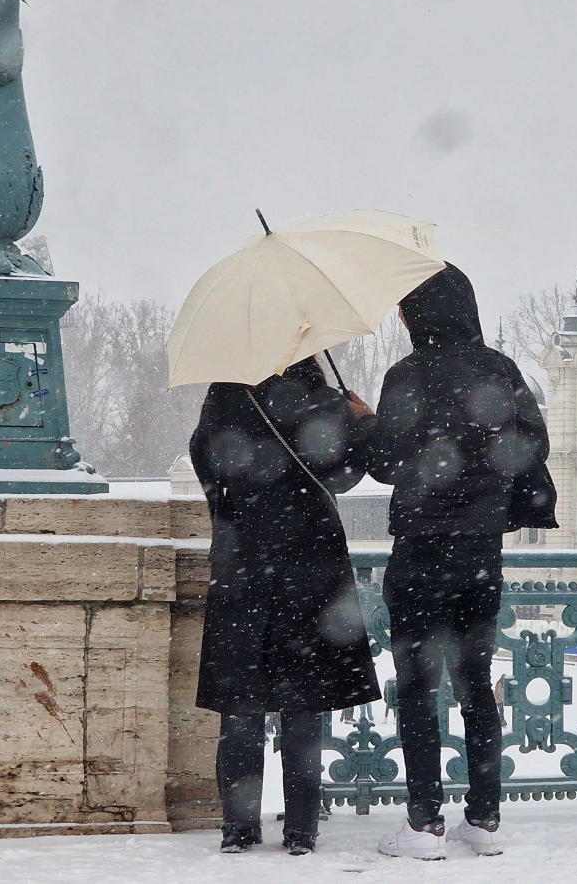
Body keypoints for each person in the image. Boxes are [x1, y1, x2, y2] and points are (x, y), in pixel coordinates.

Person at [365, 264, 557, 859]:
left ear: (417, 314)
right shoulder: (498, 369)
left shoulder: (407, 375)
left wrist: (365, 423)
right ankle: (485, 818)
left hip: (420, 552)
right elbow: (534, 446)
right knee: (475, 682)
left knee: (418, 687)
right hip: (480, 552)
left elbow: (385, 465)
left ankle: (425, 824)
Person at [191, 357, 382, 856]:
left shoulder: (229, 387)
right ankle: (301, 829)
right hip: (311, 557)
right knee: (303, 701)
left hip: (243, 559)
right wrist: (359, 421)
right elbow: (342, 479)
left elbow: (202, 454)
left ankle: (238, 827)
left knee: (241, 702)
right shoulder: (320, 396)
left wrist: (226, 512)